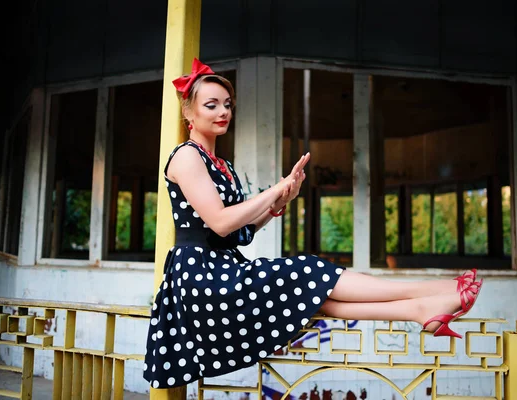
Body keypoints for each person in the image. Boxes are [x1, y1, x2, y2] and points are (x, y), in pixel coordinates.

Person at [143, 58, 483, 389]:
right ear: (189, 112)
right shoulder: (186, 155)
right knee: (306, 271)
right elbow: (219, 223)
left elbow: (239, 233)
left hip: (225, 266)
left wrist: (280, 203)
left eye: (228, 105)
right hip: (201, 279)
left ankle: (420, 309)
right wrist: (273, 190)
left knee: (313, 294)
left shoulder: (224, 166)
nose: (223, 112)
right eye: (212, 105)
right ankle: (436, 290)